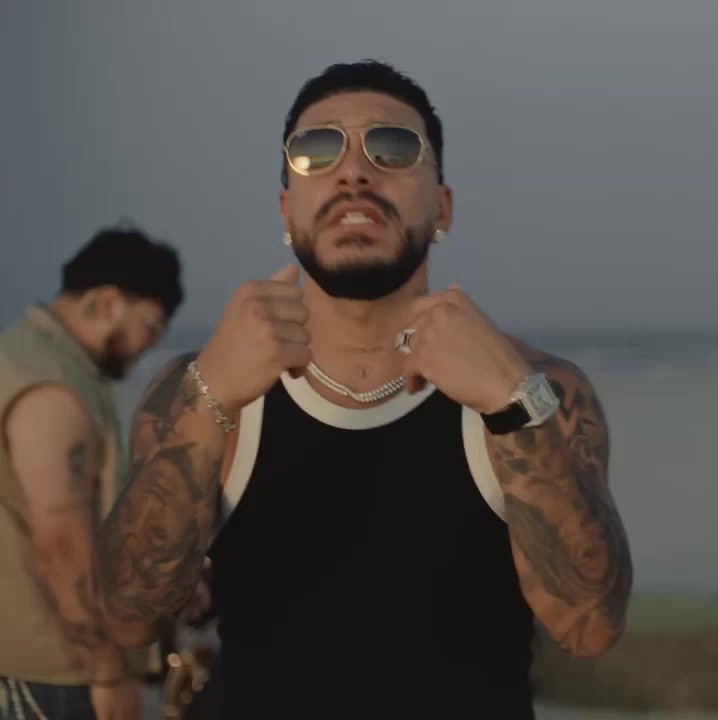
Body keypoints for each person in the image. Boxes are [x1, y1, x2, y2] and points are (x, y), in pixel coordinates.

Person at [94, 60, 633, 718]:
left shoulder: (540, 388)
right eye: (316, 151)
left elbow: (589, 627)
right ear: (286, 211)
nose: (353, 172)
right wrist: (212, 397)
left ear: (442, 207)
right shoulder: (199, 389)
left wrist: (510, 403)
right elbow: (129, 619)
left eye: (393, 148)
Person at [0, 225, 183, 720]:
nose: (151, 343)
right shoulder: (52, 384)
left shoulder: (28, 357)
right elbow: (61, 541)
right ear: (107, 303)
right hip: (52, 675)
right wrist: (108, 670)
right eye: (151, 325)